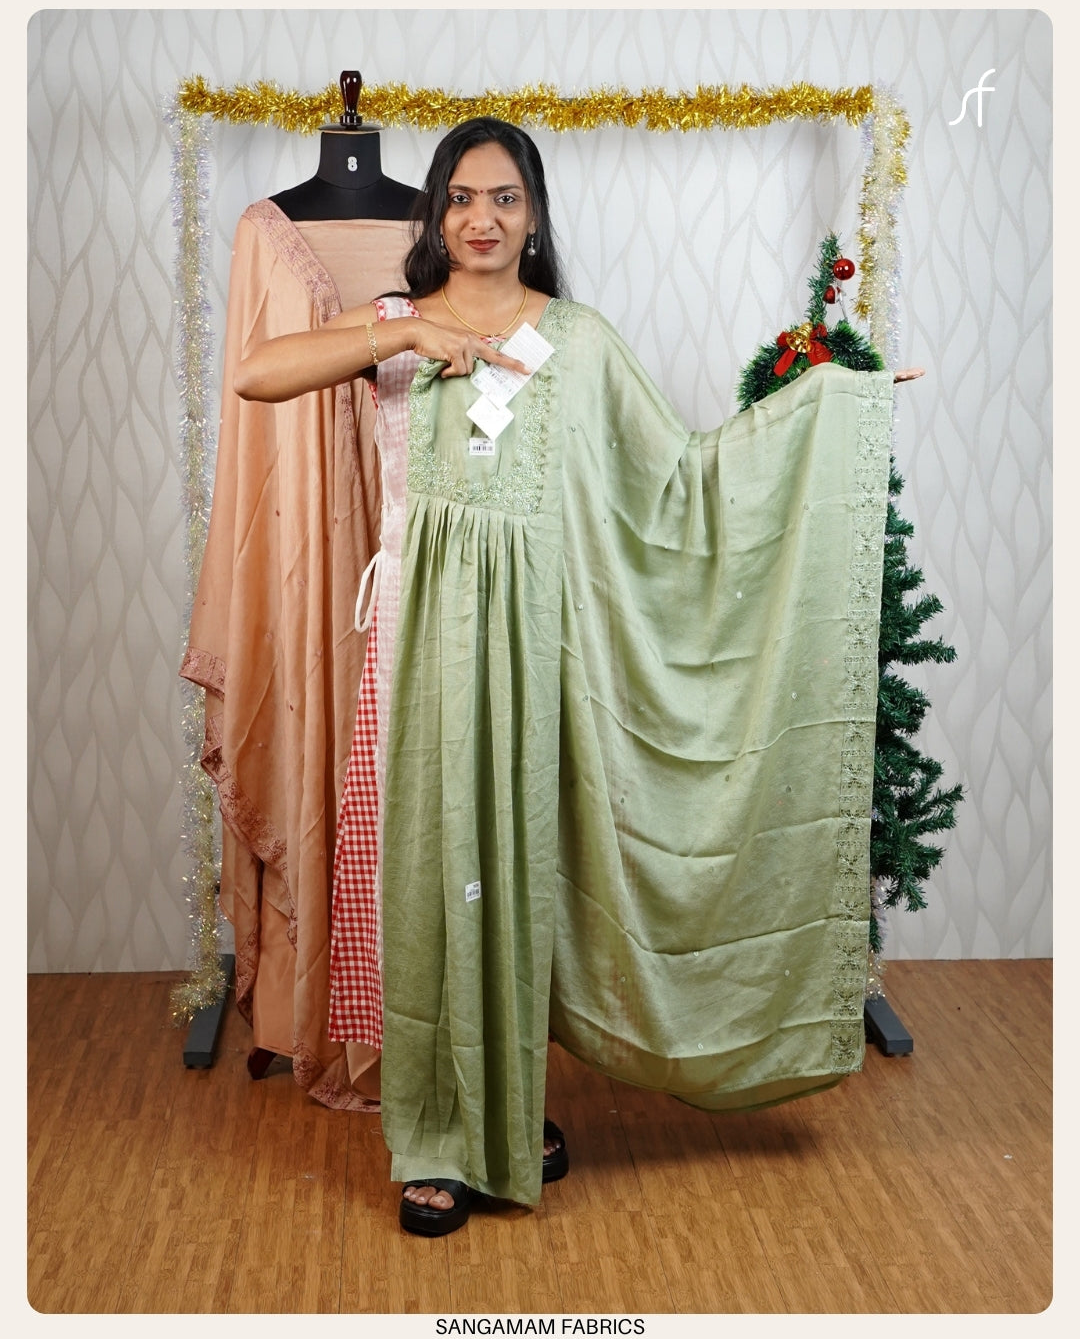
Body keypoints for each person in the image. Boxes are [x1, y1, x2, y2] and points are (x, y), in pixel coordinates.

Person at [235, 116, 923, 1237]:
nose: (482, 218)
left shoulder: (581, 341)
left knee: (524, 873)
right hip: (416, 641)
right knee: (433, 877)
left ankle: (506, 1108)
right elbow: (259, 375)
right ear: (436, 213)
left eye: (505, 198)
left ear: (535, 215)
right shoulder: (395, 321)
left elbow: (687, 475)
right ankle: (437, 1134)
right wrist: (404, 338)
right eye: (462, 197)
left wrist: (836, 408)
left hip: (545, 645)